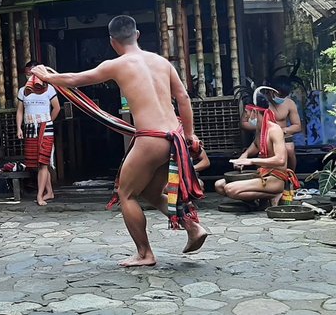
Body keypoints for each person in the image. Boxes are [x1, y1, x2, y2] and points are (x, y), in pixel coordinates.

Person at [31, 15, 207, 267]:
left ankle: (145, 253)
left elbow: (76, 79)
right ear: (137, 35)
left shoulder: (117, 64)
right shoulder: (161, 62)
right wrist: (189, 134)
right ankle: (192, 227)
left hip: (150, 138)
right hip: (173, 137)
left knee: (125, 194)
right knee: (149, 191)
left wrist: (46, 76)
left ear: (113, 42)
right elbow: (183, 98)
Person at [216, 94, 300, 206]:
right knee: (219, 185)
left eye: (247, 112)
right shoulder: (260, 129)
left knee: (230, 189)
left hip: (275, 178)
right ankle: (258, 200)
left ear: (255, 112)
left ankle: (274, 195)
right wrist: (245, 155)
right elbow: (256, 145)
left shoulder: (274, 130)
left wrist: (251, 161)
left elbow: (280, 160)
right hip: (262, 174)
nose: (245, 116)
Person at [17, 60, 61, 206]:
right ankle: (49, 192)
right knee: (37, 162)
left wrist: (48, 121)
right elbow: (20, 110)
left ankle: (40, 195)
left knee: (43, 162)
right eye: (28, 73)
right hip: (30, 127)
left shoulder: (49, 89)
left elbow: (57, 108)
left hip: (45, 127)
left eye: (33, 72)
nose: (30, 75)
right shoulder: (23, 91)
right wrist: (19, 128)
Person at [241, 76, 302, 171]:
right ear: (272, 91)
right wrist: (262, 128)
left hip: (284, 137)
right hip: (262, 136)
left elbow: (297, 126)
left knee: (289, 149)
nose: (282, 98)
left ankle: (290, 176)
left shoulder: (290, 103)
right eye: (280, 95)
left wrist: (281, 131)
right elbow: (244, 123)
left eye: (284, 96)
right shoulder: (260, 103)